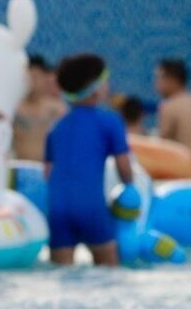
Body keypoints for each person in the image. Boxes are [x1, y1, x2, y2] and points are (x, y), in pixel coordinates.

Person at [46, 54, 135, 266]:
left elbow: (48, 173)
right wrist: (130, 188)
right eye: (106, 80)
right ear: (95, 89)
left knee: (61, 272)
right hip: (91, 206)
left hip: (57, 209)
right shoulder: (110, 121)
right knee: (109, 269)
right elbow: (124, 166)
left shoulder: (56, 128)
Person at [13, 55, 68, 162]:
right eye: (28, 77)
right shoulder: (14, 108)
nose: (32, 82)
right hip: (20, 165)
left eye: (36, 77)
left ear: (45, 78)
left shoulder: (57, 109)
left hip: (46, 166)